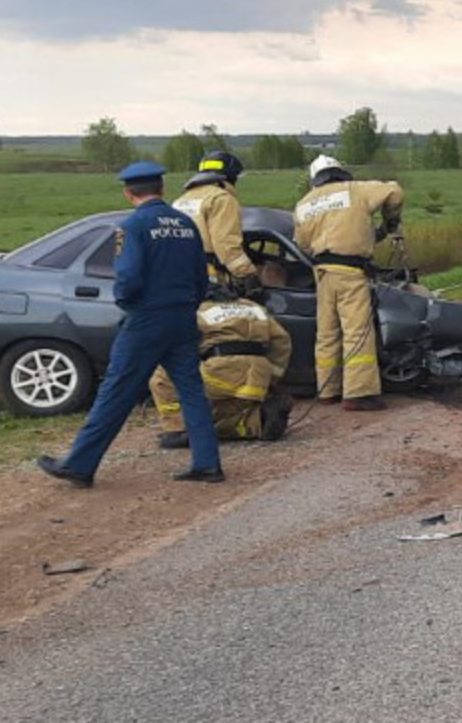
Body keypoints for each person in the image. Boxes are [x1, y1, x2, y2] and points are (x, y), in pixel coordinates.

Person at [36, 162, 223, 487]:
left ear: (128, 193)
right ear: (162, 188)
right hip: (182, 317)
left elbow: (129, 277)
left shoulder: (133, 226)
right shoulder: (186, 224)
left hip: (147, 318)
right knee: (191, 390)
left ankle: (79, 464)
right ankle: (207, 463)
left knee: (116, 389)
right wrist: (187, 304)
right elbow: (200, 275)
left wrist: (126, 302)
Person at [293, 155, 404, 410]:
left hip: (322, 273)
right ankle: (358, 393)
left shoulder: (304, 203)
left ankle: (327, 390)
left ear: (315, 178)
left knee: (327, 333)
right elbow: (395, 192)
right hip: (350, 272)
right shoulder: (355, 190)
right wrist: (389, 221)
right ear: (339, 171)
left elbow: (302, 243)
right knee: (357, 331)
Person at [149, 286, 293, 447]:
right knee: (224, 413)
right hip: (258, 381)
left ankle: (177, 430)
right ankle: (258, 420)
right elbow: (282, 340)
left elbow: (178, 346)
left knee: (162, 375)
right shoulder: (253, 307)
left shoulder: (198, 310)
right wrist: (273, 376)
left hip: (221, 374)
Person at [173, 150, 260, 293]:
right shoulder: (222, 199)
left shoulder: (180, 201)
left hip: (178, 274)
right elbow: (226, 245)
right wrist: (247, 274)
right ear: (231, 177)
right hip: (208, 277)